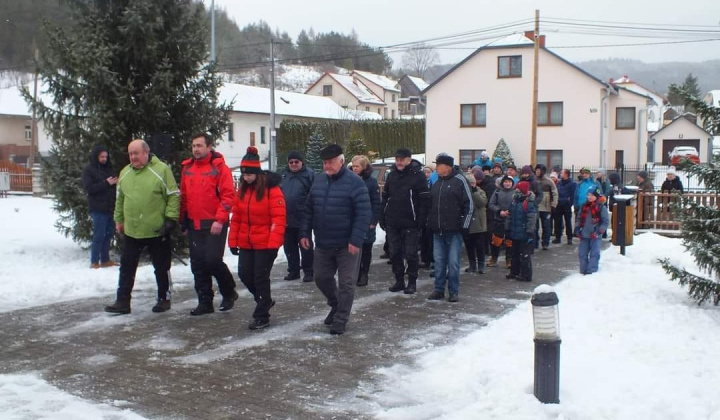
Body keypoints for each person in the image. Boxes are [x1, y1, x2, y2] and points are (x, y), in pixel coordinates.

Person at [300, 144, 370, 335]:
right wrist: (304, 233)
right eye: (324, 162)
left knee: (347, 283)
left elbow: (363, 213)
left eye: (330, 162)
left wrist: (356, 239)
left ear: (341, 161)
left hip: (347, 244)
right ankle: (336, 304)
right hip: (323, 242)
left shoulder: (355, 182)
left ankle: (341, 319)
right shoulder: (319, 181)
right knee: (321, 278)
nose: (327, 166)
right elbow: (308, 209)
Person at [104, 139, 180, 314]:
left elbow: (174, 195)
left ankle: (164, 298)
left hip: (156, 229)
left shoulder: (161, 170)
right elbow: (120, 199)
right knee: (126, 267)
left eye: (136, 153)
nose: (133, 157)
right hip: (132, 229)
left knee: (161, 266)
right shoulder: (125, 173)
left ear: (146, 152)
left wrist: (170, 219)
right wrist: (119, 220)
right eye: (130, 154)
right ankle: (122, 301)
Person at [179, 133, 238, 316]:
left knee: (212, 261)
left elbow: (228, 196)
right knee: (197, 265)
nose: (196, 149)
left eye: (199, 145)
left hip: (215, 224)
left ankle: (229, 291)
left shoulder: (220, 168)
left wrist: (220, 220)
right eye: (193, 146)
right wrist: (183, 222)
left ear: (209, 147)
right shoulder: (187, 168)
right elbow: (184, 197)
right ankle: (205, 302)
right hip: (195, 224)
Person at [228, 147, 286, 330]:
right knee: (245, 274)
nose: (246, 177)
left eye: (250, 174)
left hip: (266, 242)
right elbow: (236, 217)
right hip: (247, 241)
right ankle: (265, 300)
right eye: (244, 174)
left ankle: (262, 315)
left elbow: (279, 218)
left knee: (260, 277)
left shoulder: (272, 189)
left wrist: (273, 244)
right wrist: (233, 241)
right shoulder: (242, 191)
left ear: (257, 172)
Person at [380, 148, 430, 295]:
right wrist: (382, 216)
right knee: (394, 253)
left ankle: (412, 282)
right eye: (397, 159)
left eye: (402, 159)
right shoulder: (392, 175)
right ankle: (399, 280)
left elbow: (424, 200)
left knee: (411, 254)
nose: (399, 162)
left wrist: (420, 220)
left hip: (411, 222)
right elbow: (385, 197)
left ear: (409, 160)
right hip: (393, 221)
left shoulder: (418, 176)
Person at [427, 153, 473, 303]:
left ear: (446, 167)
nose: (436, 169)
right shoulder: (436, 183)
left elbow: (469, 205)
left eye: (438, 166)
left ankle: (454, 291)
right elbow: (431, 206)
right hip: (437, 230)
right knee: (439, 262)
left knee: (453, 263)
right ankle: (439, 289)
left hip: (454, 231)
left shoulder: (460, 181)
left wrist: (464, 225)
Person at [280, 150, 315, 282]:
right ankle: (293, 270)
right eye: (291, 162)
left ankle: (309, 271)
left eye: (296, 162)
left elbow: (314, 195)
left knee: (305, 246)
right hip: (287, 218)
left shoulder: (309, 175)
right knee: (289, 247)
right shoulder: (283, 175)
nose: (294, 164)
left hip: (303, 218)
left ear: (302, 162)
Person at [81, 144, 118, 269]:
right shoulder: (89, 170)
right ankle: (94, 261)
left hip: (110, 208)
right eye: (102, 156)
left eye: (106, 156)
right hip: (98, 208)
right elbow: (90, 188)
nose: (104, 159)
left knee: (108, 234)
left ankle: (105, 259)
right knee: (99, 235)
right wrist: (106, 183)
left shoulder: (109, 168)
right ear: (96, 156)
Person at [351, 155, 381, 287]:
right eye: (353, 166)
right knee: (354, 248)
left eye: (357, 166)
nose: (354, 168)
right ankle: (355, 274)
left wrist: (373, 220)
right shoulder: (350, 179)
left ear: (364, 167)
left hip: (367, 219)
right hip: (352, 219)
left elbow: (376, 203)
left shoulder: (371, 182)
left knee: (366, 249)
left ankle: (364, 274)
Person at [505, 181, 537, 282]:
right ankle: (514, 272)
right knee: (514, 253)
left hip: (524, 233)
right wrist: (507, 228)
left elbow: (531, 218)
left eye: (518, 189)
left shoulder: (528, 203)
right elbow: (509, 215)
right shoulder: (515, 201)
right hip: (514, 232)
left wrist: (529, 232)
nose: (516, 190)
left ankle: (526, 275)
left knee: (524, 255)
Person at [575, 187, 609, 275]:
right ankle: (583, 270)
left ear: (597, 196)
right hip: (584, 233)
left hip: (595, 234)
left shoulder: (601, 207)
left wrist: (599, 231)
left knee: (595, 253)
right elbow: (579, 218)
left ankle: (592, 271)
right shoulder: (584, 206)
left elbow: (605, 222)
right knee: (582, 253)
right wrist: (577, 228)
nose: (590, 197)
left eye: (592, 195)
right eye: (588, 195)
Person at [488, 175, 515, 268]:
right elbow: (491, 204)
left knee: (509, 241)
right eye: (506, 182)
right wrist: (500, 211)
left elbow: (518, 204)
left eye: (509, 182)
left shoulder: (516, 192)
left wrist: (510, 211)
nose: (507, 184)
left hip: (511, 220)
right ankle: (494, 258)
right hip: (499, 220)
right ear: (503, 183)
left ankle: (509, 260)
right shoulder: (497, 191)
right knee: (496, 240)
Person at [464, 173, 488, 274]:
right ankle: (472, 265)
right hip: (468, 224)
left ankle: (481, 265)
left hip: (479, 224)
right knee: (469, 246)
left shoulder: (480, 191)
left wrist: (474, 193)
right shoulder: (463, 193)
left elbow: (482, 203)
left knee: (479, 246)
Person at [534, 164, 558, 250]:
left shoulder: (549, 181)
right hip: (535, 205)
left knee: (546, 226)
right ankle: (535, 242)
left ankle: (545, 243)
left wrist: (554, 204)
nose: (537, 172)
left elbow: (555, 193)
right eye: (536, 170)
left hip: (546, 206)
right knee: (535, 226)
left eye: (539, 170)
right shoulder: (533, 180)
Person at [553, 169, 576, 245]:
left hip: (566, 205)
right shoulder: (559, 183)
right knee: (557, 222)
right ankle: (558, 237)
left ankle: (569, 238)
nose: (561, 174)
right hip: (558, 204)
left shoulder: (572, 183)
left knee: (568, 222)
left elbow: (572, 195)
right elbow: (556, 192)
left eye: (562, 173)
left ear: (566, 174)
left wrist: (570, 203)